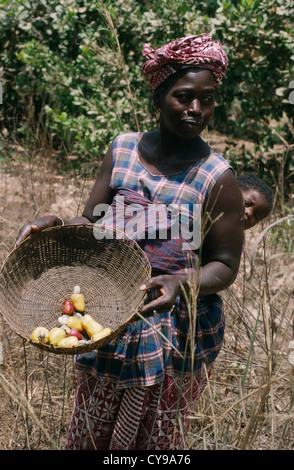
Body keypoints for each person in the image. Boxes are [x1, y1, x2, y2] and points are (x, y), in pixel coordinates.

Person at [15, 34, 244, 450]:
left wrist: (180, 283)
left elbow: (225, 265)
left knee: (154, 443)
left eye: (207, 99)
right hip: (111, 320)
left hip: (175, 335)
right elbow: (91, 223)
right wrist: (56, 225)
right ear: (159, 96)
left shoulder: (216, 177)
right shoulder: (123, 150)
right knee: (93, 432)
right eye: (184, 97)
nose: (196, 110)